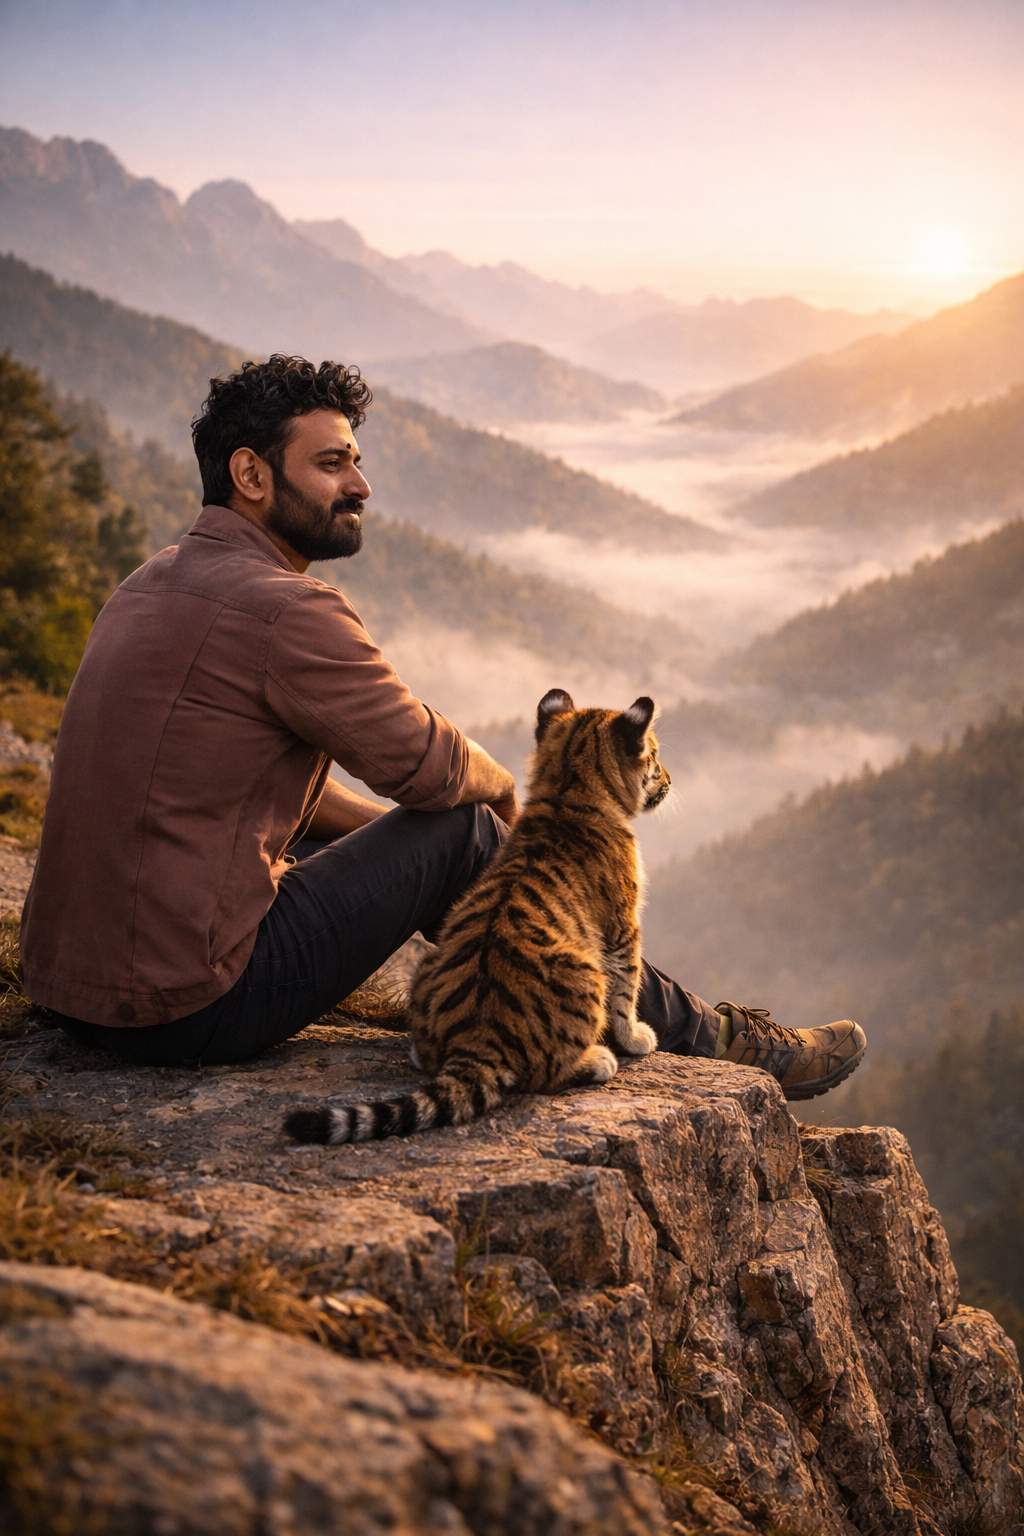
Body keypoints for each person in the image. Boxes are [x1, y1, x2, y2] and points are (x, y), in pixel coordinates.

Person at [20, 356, 865, 1101]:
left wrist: (399, 849)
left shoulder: (149, 583)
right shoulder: (284, 608)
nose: (361, 484)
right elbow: (430, 770)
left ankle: (600, 1006)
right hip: (185, 1008)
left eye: (356, 459)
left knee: (430, 839)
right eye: (332, 463)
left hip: (74, 988)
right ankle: (708, 1037)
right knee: (463, 829)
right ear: (250, 474)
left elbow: (253, 798)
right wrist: (508, 804)